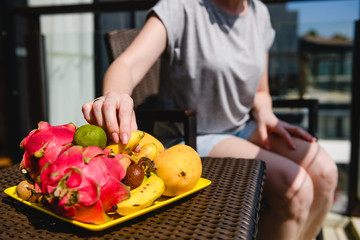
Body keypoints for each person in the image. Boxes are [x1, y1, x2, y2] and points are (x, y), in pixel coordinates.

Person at [82, 0, 338, 239]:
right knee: (296, 188)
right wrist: (114, 97)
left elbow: (260, 92)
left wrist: (267, 114)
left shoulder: (259, 13)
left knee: (326, 172)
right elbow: (127, 64)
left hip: (242, 126)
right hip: (194, 135)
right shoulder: (182, 7)